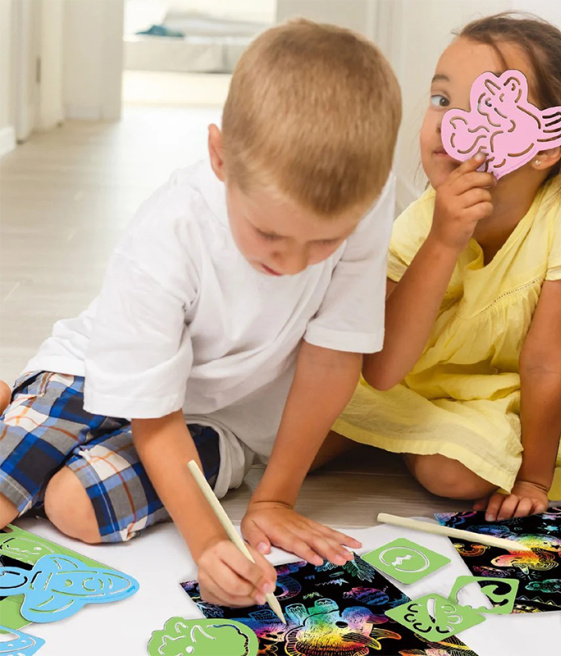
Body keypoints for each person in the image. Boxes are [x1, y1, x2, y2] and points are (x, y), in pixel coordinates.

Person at [0, 20, 402, 607]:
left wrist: (274, 499)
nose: (293, 263)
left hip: (220, 421)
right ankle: (24, 405)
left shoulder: (363, 200)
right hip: (91, 372)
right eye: (270, 234)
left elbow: (333, 355)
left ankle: (19, 416)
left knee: (74, 507)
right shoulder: (170, 232)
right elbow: (153, 412)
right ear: (219, 157)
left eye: (323, 243)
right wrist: (209, 539)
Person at [329, 13, 561, 521]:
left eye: (486, 106)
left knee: (455, 476)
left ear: (544, 145)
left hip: (509, 400)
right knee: (301, 407)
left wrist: (534, 479)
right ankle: (396, 434)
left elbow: (545, 362)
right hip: (410, 382)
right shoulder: (422, 218)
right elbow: (380, 369)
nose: (450, 123)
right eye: (441, 99)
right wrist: (443, 240)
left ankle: (392, 438)